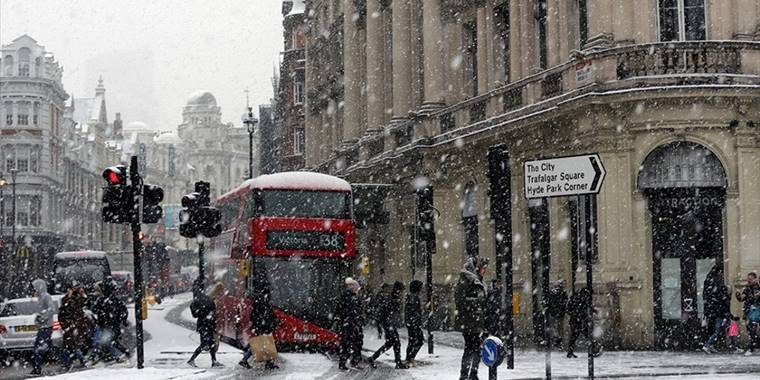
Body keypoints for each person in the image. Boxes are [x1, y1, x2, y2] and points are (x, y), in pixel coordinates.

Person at [454, 256, 488, 380]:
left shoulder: (478, 280)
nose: (485, 271)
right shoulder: (466, 280)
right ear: (476, 268)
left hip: (477, 320)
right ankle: (464, 375)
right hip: (468, 321)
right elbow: (459, 300)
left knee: (477, 348)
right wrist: (476, 302)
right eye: (483, 268)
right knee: (470, 347)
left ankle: (473, 373)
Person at [239, 272, 279, 370]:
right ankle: (245, 360)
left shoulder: (258, 301)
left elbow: (255, 314)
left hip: (260, 325)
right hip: (263, 326)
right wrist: (273, 321)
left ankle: (268, 363)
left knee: (263, 343)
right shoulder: (264, 302)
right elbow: (267, 313)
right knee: (261, 343)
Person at [368, 281, 407, 369]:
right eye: (401, 290)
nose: (402, 292)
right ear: (399, 290)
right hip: (389, 324)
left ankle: (373, 358)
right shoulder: (392, 297)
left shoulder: (392, 296)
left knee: (391, 343)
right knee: (395, 342)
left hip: (389, 323)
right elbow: (387, 309)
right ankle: (398, 362)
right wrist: (395, 302)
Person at [89, 279, 129, 363]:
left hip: (107, 325)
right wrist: (122, 320)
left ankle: (120, 354)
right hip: (109, 324)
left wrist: (121, 319)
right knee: (108, 341)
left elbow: (94, 309)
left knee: (107, 341)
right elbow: (123, 310)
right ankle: (118, 354)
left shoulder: (103, 300)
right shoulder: (111, 299)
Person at [188, 280, 223, 367]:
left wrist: (201, 313)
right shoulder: (209, 301)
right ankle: (192, 360)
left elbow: (196, 314)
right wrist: (213, 325)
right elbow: (213, 314)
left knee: (209, 344)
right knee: (207, 344)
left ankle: (213, 361)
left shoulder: (199, 301)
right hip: (208, 325)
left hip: (203, 325)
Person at [58, 282, 90, 370]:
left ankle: (71, 362)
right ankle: (74, 361)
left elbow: (83, 305)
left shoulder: (76, 298)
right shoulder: (66, 300)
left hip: (75, 325)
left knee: (72, 345)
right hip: (71, 326)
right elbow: (63, 313)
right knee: (70, 345)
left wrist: (83, 295)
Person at [335, 277, 364, 370]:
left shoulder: (352, 296)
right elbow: (349, 311)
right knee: (349, 343)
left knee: (353, 343)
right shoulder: (349, 297)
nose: (357, 289)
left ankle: (349, 361)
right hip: (349, 323)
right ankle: (346, 362)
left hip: (351, 323)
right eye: (356, 287)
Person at [31, 279, 58, 376]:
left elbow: (52, 310)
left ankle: (36, 368)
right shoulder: (41, 297)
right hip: (43, 327)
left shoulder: (46, 296)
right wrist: (37, 319)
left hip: (46, 327)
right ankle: (65, 360)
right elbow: (43, 311)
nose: (34, 289)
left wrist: (42, 318)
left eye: (35, 287)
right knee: (49, 347)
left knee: (38, 348)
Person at [566, 287, 600, 358]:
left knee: (575, 336)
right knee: (586, 335)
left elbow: (569, 309)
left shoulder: (577, 297)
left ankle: (570, 352)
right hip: (580, 320)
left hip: (577, 320)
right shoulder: (583, 298)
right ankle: (593, 350)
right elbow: (585, 307)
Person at [702, 266, 730, 353]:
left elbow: (707, 296)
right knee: (717, 329)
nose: (722, 274)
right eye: (721, 273)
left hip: (713, 309)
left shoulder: (710, 281)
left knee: (715, 328)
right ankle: (708, 344)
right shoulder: (715, 282)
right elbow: (718, 295)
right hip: (716, 309)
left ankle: (711, 345)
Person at [736, 272, 760, 355]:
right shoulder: (747, 288)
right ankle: (755, 346)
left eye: (750, 279)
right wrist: (738, 296)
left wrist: (756, 296)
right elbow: (742, 299)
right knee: (750, 329)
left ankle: (752, 348)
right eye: (748, 279)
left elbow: (756, 297)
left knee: (752, 329)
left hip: (756, 310)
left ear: (755, 279)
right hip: (749, 311)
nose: (748, 280)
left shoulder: (758, 287)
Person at [405, 280, 424, 366]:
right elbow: (413, 311)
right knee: (418, 340)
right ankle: (410, 358)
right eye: (420, 287)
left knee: (412, 341)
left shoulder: (411, 297)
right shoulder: (414, 297)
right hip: (414, 323)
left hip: (412, 322)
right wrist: (416, 321)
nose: (421, 289)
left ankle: (409, 358)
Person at [547, 280, 568, 348]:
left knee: (554, 327)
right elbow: (564, 303)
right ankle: (560, 340)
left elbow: (549, 302)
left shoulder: (552, 293)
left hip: (553, 313)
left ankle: (556, 339)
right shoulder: (563, 293)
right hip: (560, 313)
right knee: (559, 327)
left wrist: (551, 309)